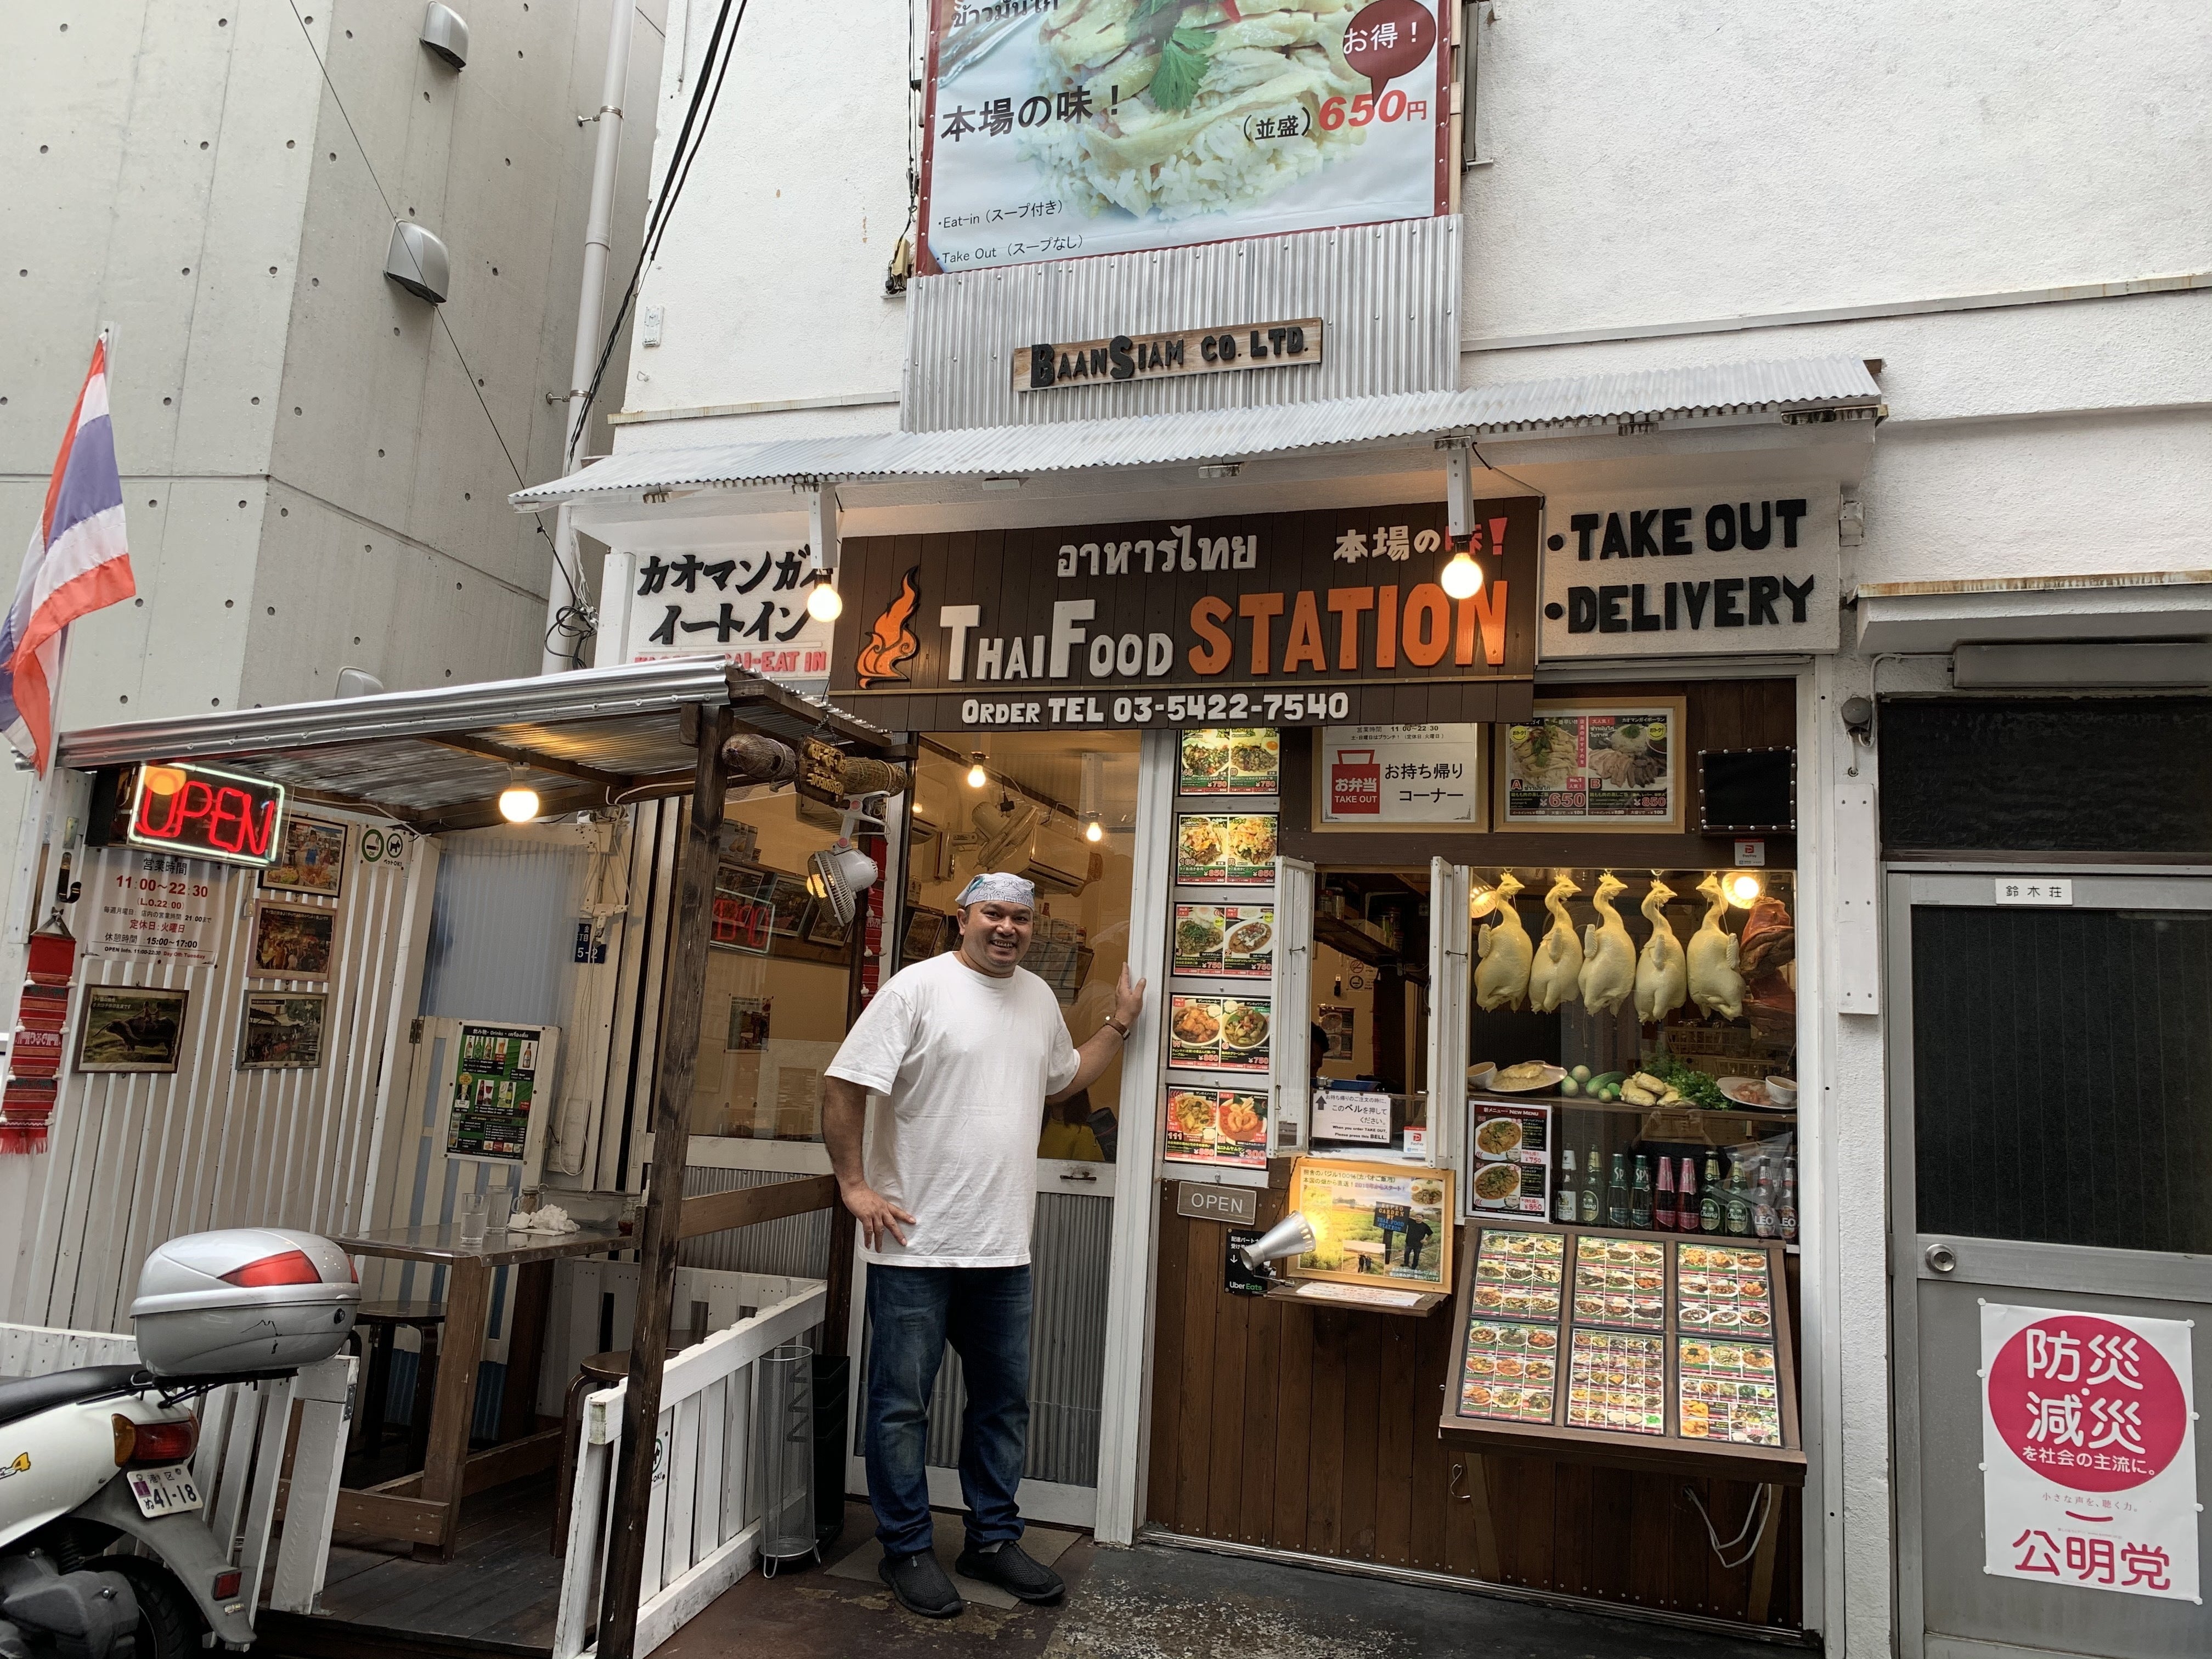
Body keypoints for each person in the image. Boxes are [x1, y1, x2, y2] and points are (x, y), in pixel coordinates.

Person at [823, 872, 1146, 1620]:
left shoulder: (1036, 998)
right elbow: (845, 1085)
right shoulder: (916, 988)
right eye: (993, 914)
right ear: (962, 917)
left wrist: (1120, 1025)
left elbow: (1062, 1080)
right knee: (900, 1407)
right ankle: (906, 1549)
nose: (1007, 928)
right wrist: (854, 1185)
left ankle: (992, 1542)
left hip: (1002, 1248)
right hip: (914, 1245)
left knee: (1002, 1405)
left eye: (1021, 918)